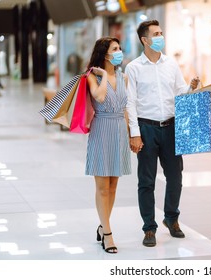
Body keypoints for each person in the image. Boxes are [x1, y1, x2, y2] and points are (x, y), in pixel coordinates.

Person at [125, 20, 199, 247]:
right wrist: (135, 134)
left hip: (171, 127)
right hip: (146, 128)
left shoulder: (171, 64)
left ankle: (171, 218)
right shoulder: (134, 67)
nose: (160, 37)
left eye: (161, 33)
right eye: (156, 34)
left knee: (175, 177)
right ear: (144, 40)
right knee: (146, 181)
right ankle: (149, 228)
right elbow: (131, 103)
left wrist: (191, 88)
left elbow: (179, 91)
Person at [85, 37, 131, 253]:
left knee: (113, 185)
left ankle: (103, 225)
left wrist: (132, 135)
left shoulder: (124, 77)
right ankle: (108, 234)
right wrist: (104, 75)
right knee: (102, 187)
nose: (119, 52)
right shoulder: (92, 77)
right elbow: (100, 97)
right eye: (115, 49)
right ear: (105, 54)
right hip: (101, 130)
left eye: (120, 48)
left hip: (119, 130)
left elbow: (126, 108)